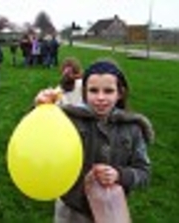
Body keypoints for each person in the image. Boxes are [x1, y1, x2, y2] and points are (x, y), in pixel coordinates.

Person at [34, 59, 154, 223]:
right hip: (71, 209)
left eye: (108, 91)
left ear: (120, 93)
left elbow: (144, 172)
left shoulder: (132, 128)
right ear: (84, 93)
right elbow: (38, 139)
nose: (100, 97)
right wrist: (40, 109)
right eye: (93, 90)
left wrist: (120, 175)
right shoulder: (70, 120)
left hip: (109, 210)